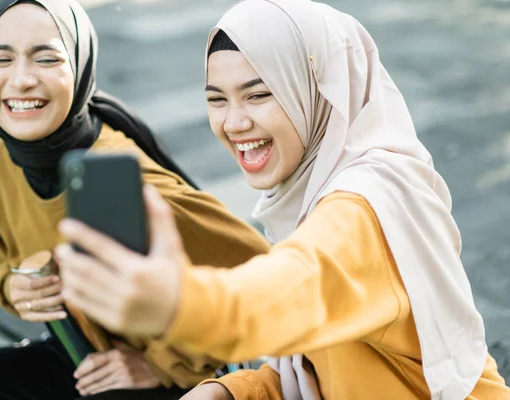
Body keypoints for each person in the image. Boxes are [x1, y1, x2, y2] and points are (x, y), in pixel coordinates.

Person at [55, 0, 510, 399]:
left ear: (317, 92)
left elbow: (287, 292)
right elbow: (323, 369)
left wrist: (178, 302)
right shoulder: (310, 192)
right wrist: (230, 391)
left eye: (258, 95)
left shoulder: (369, 207)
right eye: (218, 100)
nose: (233, 123)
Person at [0, 0, 270, 399]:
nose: (21, 79)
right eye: (1, 59)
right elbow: (0, 260)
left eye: (46, 58)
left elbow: (264, 282)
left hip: (169, 379)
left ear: (80, 68)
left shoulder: (131, 184)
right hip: (78, 357)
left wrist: (160, 363)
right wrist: (13, 287)